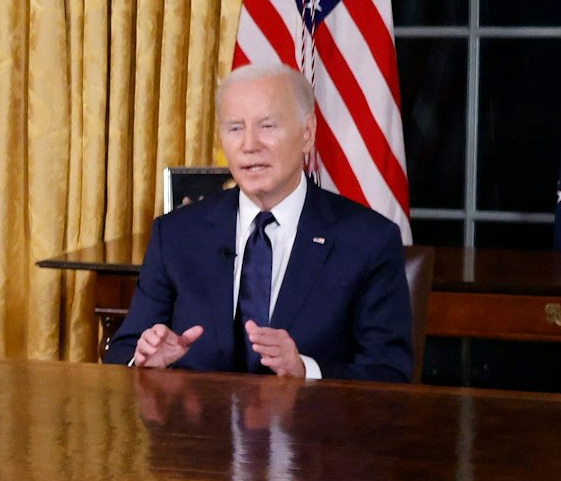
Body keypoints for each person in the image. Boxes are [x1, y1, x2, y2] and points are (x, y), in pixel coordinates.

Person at [103, 63, 413, 383]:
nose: (249, 145)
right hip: (199, 430)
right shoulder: (177, 235)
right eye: (235, 128)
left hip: (311, 429)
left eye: (267, 126)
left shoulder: (367, 241)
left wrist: (306, 371)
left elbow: (389, 373)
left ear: (307, 134)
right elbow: (123, 351)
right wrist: (144, 361)